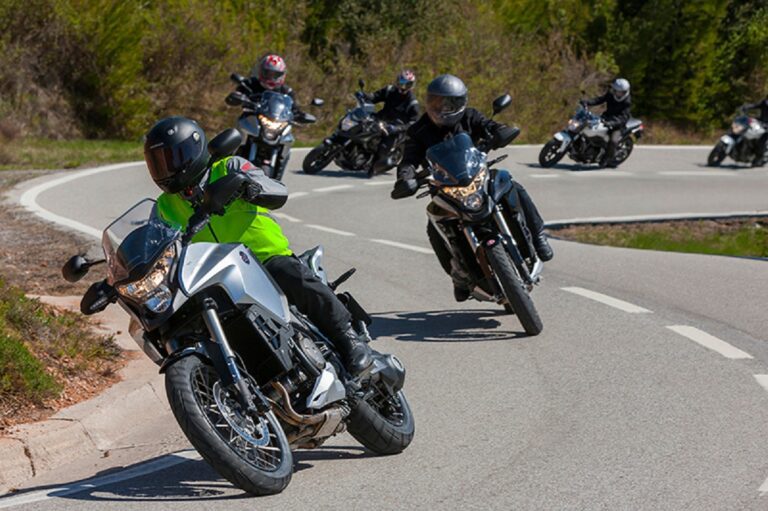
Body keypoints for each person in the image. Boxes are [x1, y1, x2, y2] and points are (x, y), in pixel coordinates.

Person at [143, 116, 372, 376]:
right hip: (216, 277)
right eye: (158, 162)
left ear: (194, 150)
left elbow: (277, 191)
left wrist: (247, 185)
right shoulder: (163, 205)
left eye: (172, 158)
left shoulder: (228, 166)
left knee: (293, 277)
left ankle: (349, 338)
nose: (167, 168)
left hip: (263, 257)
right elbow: (153, 243)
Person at [391, 74, 552, 302]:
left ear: (460, 103)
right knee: (434, 224)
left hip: (479, 176)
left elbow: (490, 126)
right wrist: (405, 178)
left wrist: (500, 131)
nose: (442, 108)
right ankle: (458, 277)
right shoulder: (418, 130)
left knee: (510, 184)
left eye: (448, 103)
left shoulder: (470, 116)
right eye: (436, 102)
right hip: (445, 187)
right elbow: (408, 159)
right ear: (428, 102)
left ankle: (538, 235)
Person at [364, 70, 420, 170]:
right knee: (361, 125)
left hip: (395, 128)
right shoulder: (389, 90)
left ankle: (375, 165)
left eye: (407, 84)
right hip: (381, 119)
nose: (403, 86)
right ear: (397, 81)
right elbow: (375, 97)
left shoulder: (412, 103)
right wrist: (365, 96)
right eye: (401, 83)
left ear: (412, 85)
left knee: (384, 146)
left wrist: (397, 128)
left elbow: (413, 122)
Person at [582, 78, 632, 168]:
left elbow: (624, 117)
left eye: (620, 92)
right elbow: (599, 100)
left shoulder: (627, 102)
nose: (618, 93)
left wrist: (613, 123)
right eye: (616, 91)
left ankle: (606, 159)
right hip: (606, 118)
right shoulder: (610, 95)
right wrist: (587, 102)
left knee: (613, 141)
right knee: (588, 127)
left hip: (618, 125)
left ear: (625, 92)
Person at [741, 95, 768, 166]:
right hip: (761, 123)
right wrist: (746, 107)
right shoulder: (764, 103)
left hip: (767, 128)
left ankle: (759, 158)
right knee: (748, 132)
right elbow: (754, 105)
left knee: (761, 142)